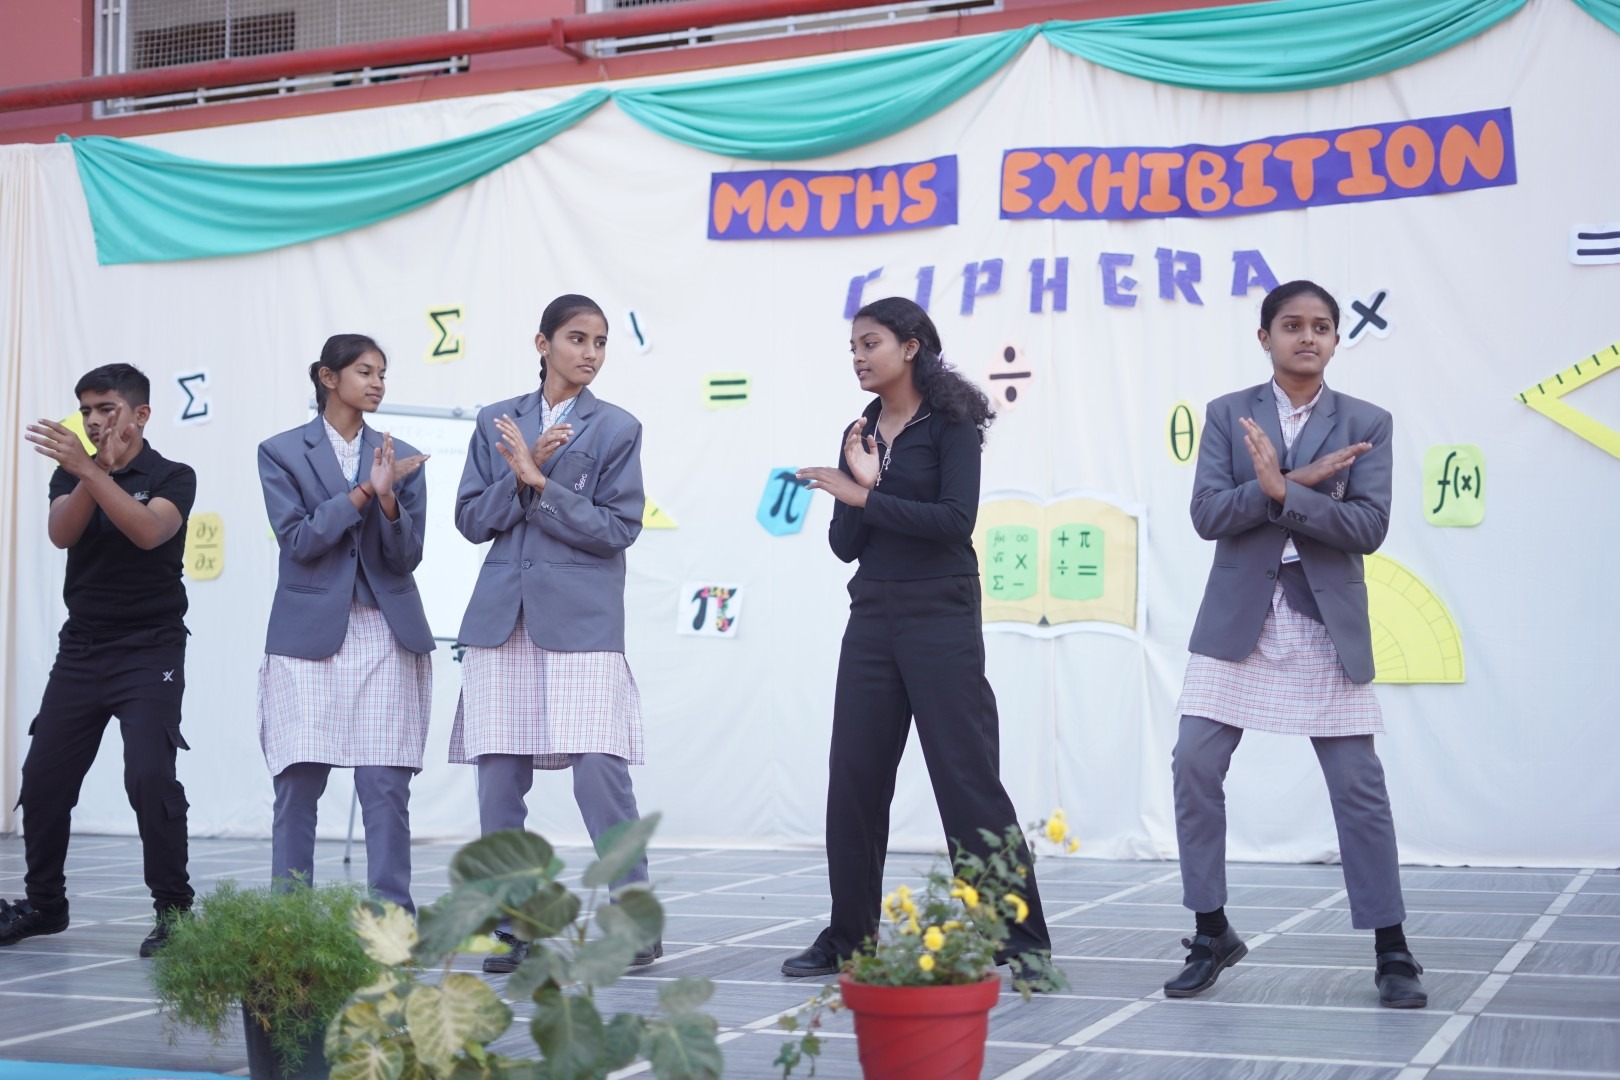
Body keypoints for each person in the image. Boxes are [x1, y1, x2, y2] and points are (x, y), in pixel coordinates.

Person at [1165, 279, 1426, 1008]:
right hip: (1238, 617)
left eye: (1321, 326)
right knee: (1193, 763)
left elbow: (1367, 527)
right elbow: (1208, 515)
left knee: (1358, 786)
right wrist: (1292, 483)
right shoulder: (1228, 414)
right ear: (1265, 337)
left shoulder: (1367, 421)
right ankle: (1210, 931)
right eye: (1291, 324)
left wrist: (1285, 493)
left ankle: (1392, 946)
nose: (1306, 336)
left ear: (1337, 340)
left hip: (1322, 619)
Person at [783, 296, 1053, 979]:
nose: (858, 356)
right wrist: (862, 480)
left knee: (965, 778)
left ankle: (1021, 942)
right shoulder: (861, 430)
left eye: (869, 343)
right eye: (853, 346)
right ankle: (849, 937)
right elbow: (846, 544)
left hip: (941, 612)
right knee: (854, 778)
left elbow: (954, 521)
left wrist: (864, 494)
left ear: (910, 347)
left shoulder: (951, 424)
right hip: (873, 614)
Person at [450, 293, 658, 974]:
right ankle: (511, 923)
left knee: (600, 773)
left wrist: (540, 482)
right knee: (498, 778)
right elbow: (470, 521)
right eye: (576, 338)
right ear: (542, 344)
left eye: (600, 341)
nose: (590, 353)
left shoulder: (618, 427)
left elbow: (618, 529)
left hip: (584, 619)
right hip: (501, 617)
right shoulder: (495, 420)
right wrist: (517, 480)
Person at [5, 365, 196, 956]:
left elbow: (148, 531)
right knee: (43, 780)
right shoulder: (72, 473)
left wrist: (94, 470)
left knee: (149, 776)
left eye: (106, 408)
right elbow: (62, 534)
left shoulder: (173, 475)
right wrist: (92, 472)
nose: (92, 420)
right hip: (83, 648)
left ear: (141, 414)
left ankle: (174, 911)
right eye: (86, 409)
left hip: (151, 647)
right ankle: (45, 905)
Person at [256, 334, 432, 912]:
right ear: (328, 378)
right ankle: (290, 922)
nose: (377, 383)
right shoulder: (281, 452)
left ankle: (391, 920)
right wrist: (363, 492)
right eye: (365, 371)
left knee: (385, 787)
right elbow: (299, 541)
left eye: (382, 373)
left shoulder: (402, 457)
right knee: (297, 784)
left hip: (385, 633)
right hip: (306, 637)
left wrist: (388, 499)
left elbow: (405, 558)